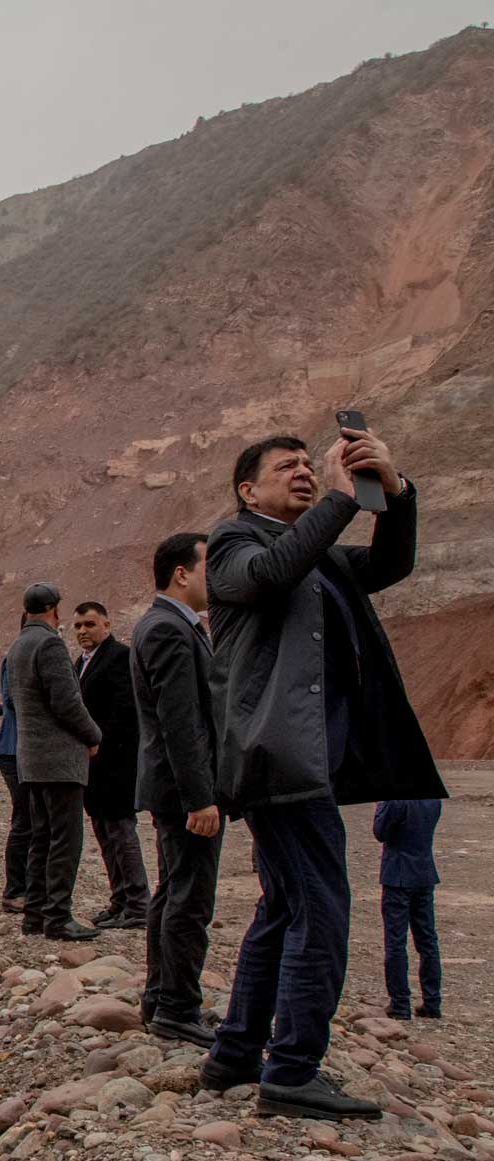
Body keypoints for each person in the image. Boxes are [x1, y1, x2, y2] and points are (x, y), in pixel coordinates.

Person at [199, 429, 446, 1122]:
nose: (305, 474)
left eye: (312, 466)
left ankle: (237, 1054)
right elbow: (272, 571)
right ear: (249, 490)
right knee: (321, 909)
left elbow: (392, 564)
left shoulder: (319, 556)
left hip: (298, 757)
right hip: (275, 755)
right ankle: (294, 1069)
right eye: (288, 469)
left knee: (282, 905)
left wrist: (391, 490)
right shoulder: (233, 545)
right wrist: (341, 498)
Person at [131, 532, 223, 1046]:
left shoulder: (168, 625)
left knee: (171, 893)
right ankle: (177, 1008)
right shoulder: (169, 629)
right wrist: (200, 797)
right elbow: (181, 722)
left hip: (172, 789)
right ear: (181, 573)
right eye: (210, 564)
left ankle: (160, 997)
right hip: (183, 791)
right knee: (189, 899)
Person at [8, 582, 102, 940]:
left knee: (41, 838)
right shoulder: (48, 644)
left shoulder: (18, 645)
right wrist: (93, 735)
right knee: (65, 839)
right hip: (59, 760)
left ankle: (35, 915)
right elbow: (66, 702)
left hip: (31, 759)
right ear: (53, 610)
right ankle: (59, 917)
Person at [72, 601, 150, 929]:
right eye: (77, 626)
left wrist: (101, 747)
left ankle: (137, 902)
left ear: (106, 624)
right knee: (104, 831)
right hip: (94, 768)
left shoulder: (119, 656)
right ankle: (119, 900)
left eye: (89, 625)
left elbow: (125, 711)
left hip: (115, 764)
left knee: (120, 830)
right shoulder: (80, 663)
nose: (82, 632)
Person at [374, 799, 443, 1021]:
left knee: (395, 941)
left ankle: (400, 1003)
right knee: (427, 940)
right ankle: (432, 1002)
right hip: (424, 872)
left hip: (398, 874)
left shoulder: (396, 799)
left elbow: (380, 832)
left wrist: (381, 805)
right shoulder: (433, 798)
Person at [0, 627, 32, 912]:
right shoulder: (18, 657)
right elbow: (12, 703)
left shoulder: (20, 654)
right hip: (15, 749)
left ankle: (26, 886)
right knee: (25, 819)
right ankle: (16, 889)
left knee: (31, 819)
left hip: (19, 749)